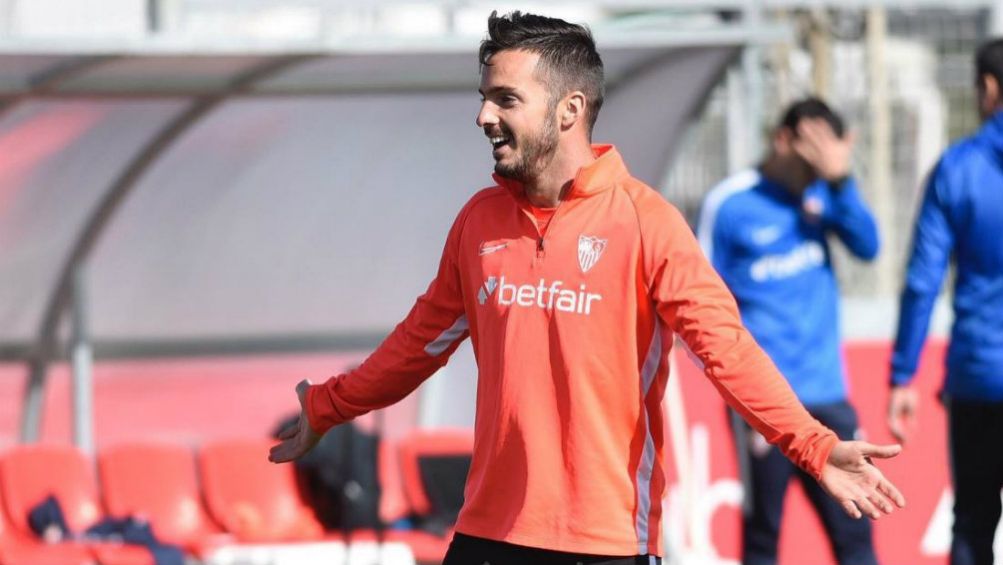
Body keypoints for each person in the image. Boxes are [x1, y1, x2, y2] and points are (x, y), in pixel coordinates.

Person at [270, 11, 905, 565]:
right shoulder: (478, 221)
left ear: (570, 109)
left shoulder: (646, 221)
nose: (482, 115)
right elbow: (419, 344)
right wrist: (329, 405)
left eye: (505, 99)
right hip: (488, 533)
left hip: (606, 544)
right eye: (484, 97)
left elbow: (727, 352)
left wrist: (815, 446)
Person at [698, 98, 881, 565]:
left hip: (828, 399)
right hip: (765, 406)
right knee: (763, 536)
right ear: (783, 139)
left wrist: (840, 180)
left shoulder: (825, 194)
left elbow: (868, 245)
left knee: (855, 534)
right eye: (808, 153)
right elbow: (697, 297)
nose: (812, 167)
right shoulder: (732, 202)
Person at [888, 38, 1003, 565]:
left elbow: (921, 281)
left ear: (987, 88)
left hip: (979, 377)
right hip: (976, 376)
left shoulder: (957, 169)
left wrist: (902, 375)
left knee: (974, 523)